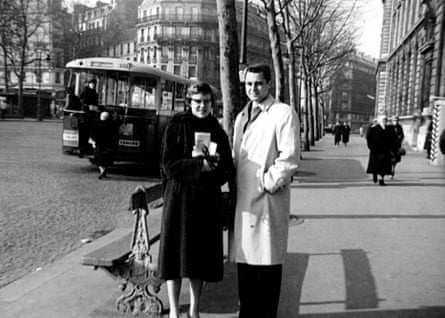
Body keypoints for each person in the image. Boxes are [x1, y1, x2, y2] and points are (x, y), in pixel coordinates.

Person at [157, 81, 235, 318]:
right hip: (179, 200)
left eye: (206, 102)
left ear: (212, 104)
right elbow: (168, 164)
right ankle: (173, 310)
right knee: (175, 256)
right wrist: (198, 165)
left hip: (205, 201)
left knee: (198, 259)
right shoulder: (177, 125)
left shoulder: (217, 130)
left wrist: (216, 166)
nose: (202, 106)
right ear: (189, 103)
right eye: (197, 102)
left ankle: (194, 309)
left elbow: (227, 169)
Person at [231, 64, 300, 318]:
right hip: (245, 204)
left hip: (267, 201)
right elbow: (238, 154)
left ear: (269, 84)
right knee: (247, 271)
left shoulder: (282, 113)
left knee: (267, 270)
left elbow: (290, 157)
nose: (253, 89)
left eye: (258, 83)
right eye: (249, 84)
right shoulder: (242, 116)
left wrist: (267, 183)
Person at [366, 114, 397, 186]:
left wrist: (392, 148)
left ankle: (381, 179)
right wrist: (371, 147)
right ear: (380, 121)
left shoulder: (389, 129)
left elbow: (393, 139)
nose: (385, 121)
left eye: (386, 120)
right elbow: (369, 138)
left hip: (385, 151)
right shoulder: (374, 129)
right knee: (376, 166)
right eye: (383, 120)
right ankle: (375, 174)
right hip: (376, 150)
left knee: (383, 166)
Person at [89, 111, 119, 179]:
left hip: (99, 146)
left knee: (98, 160)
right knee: (106, 160)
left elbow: (93, 135)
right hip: (109, 146)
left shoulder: (97, 125)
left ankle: (102, 170)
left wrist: (93, 141)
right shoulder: (112, 125)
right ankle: (104, 171)